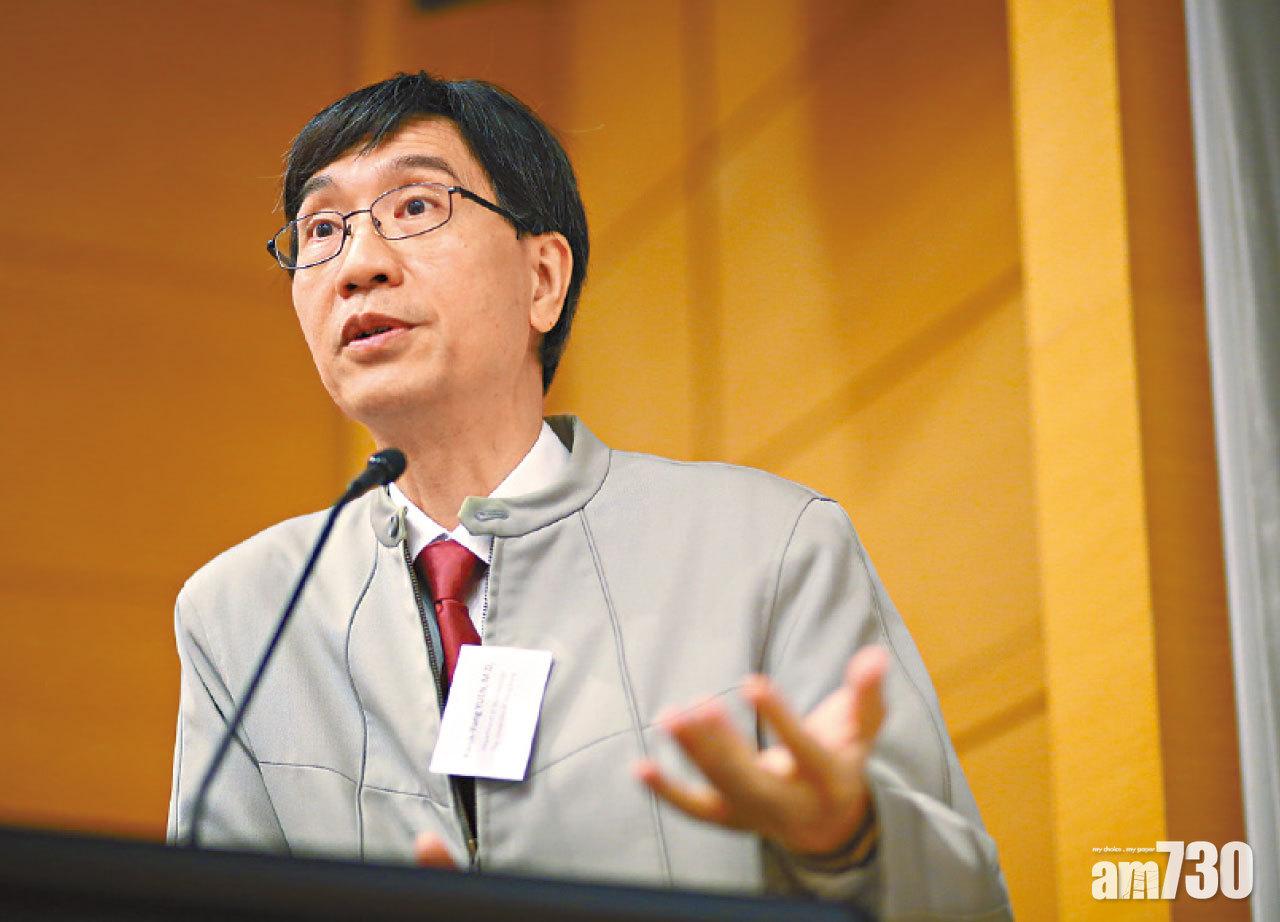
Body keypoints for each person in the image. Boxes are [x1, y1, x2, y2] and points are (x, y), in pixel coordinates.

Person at [167, 71, 1011, 921]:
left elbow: (968, 902)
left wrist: (849, 843)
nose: (358, 265)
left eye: (416, 206)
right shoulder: (244, 614)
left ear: (542, 278)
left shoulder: (769, 544)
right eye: (322, 228)